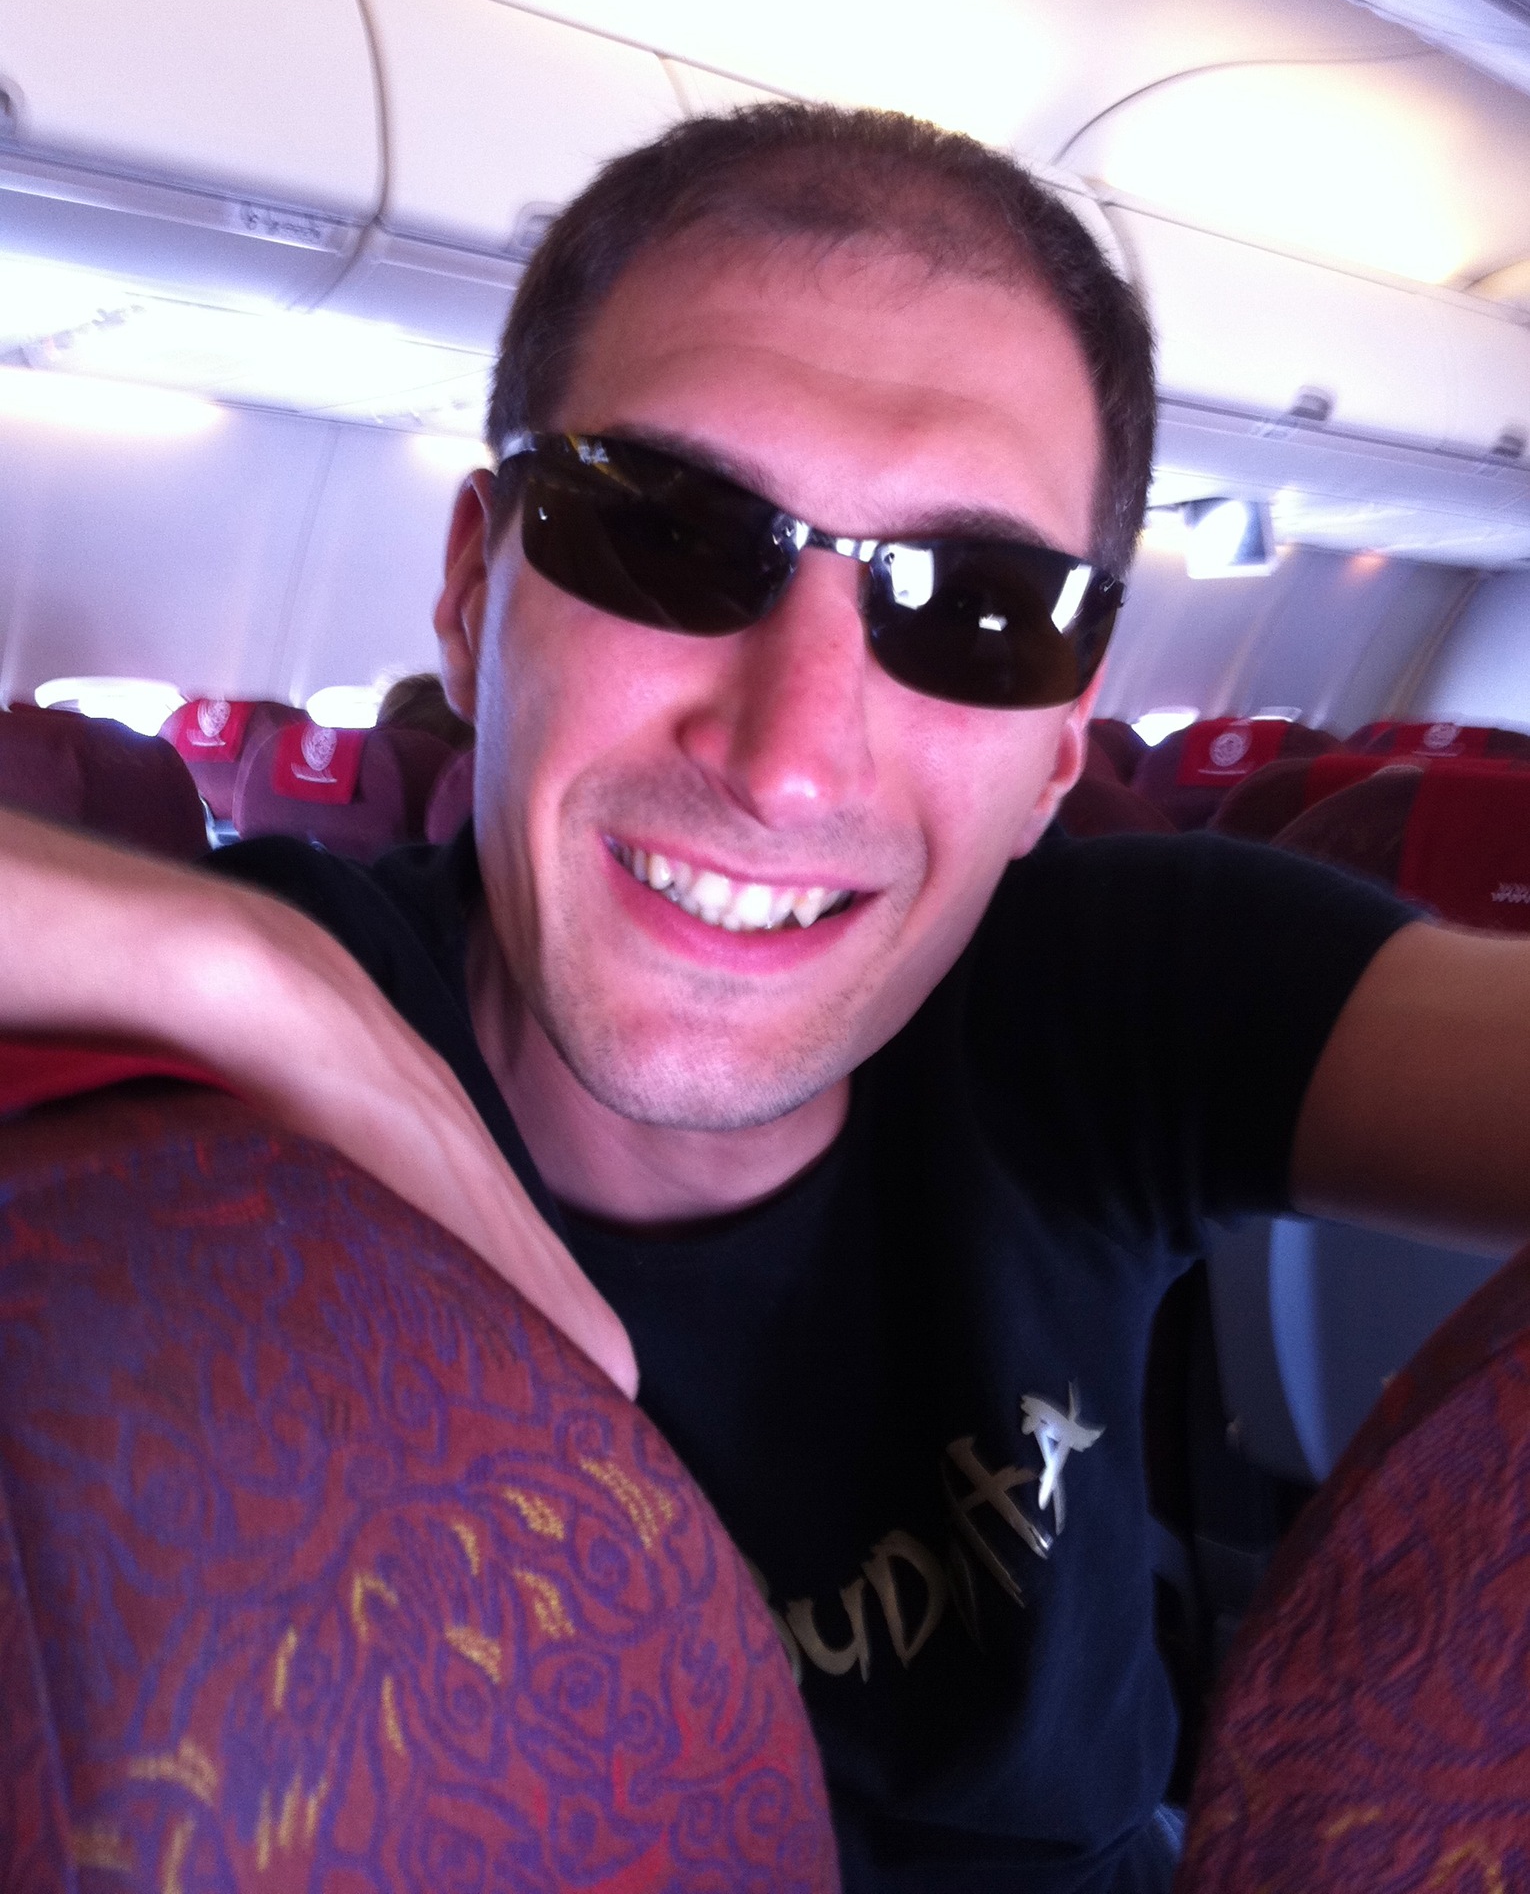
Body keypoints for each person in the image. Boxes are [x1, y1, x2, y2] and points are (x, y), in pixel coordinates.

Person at [7, 103, 1530, 1893]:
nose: (787, 756)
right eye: (663, 533)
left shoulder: (1116, 986)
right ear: (472, 592)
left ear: (1063, 736)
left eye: (975, 608)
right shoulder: (234, 1045)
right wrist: (230, 966)